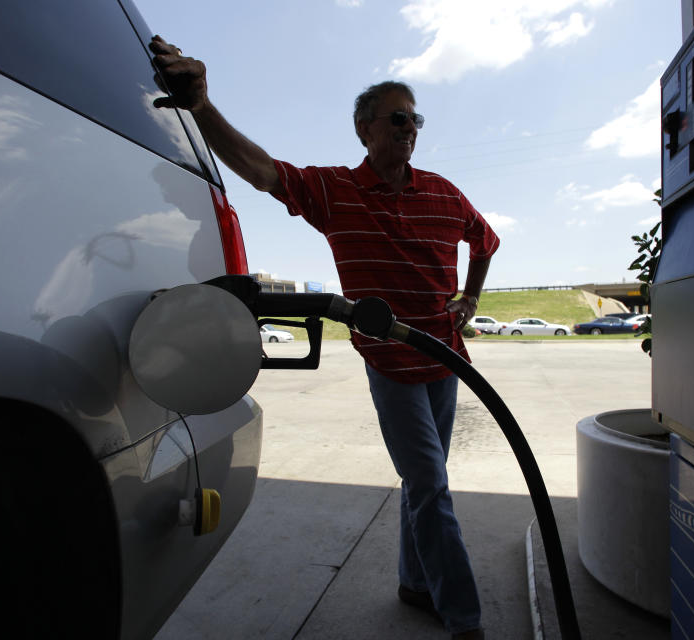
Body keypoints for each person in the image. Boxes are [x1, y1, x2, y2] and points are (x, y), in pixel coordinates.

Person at [149, 35, 498, 640]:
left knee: (425, 481)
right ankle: (466, 621)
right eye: (397, 118)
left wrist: (472, 297)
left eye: (415, 118)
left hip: (445, 358)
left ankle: (416, 585)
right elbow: (263, 172)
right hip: (391, 361)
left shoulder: (443, 192)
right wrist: (203, 108)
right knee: (431, 484)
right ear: (365, 129)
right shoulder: (337, 192)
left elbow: (485, 240)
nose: (409, 128)